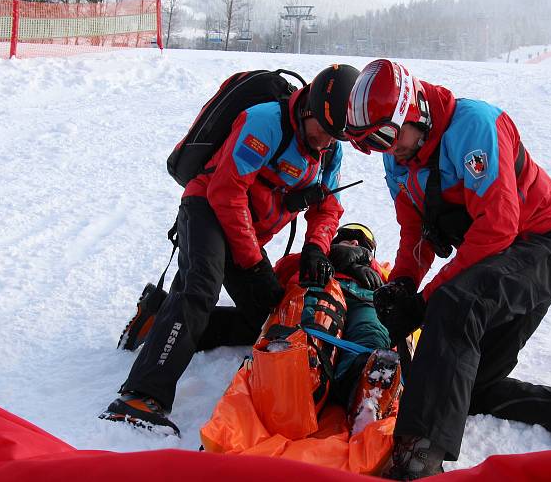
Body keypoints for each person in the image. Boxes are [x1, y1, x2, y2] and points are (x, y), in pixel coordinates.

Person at [344, 59, 551, 479]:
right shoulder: (400, 157)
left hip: (548, 244)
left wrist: (427, 300)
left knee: (455, 304)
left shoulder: (475, 126)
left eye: (388, 136)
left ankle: (418, 456)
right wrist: (403, 285)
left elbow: (497, 228)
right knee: (465, 385)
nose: (386, 149)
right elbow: (414, 228)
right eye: (373, 143)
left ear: (414, 111)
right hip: (504, 256)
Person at [100, 64, 360, 436]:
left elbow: (328, 205)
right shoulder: (265, 122)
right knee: (200, 287)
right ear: (308, 109)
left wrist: (317, 248)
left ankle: (160, 318)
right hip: (206, 206)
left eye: (337, 137)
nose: (327, 142)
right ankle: (140, 396)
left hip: (246, 229)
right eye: (325, 132)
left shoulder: (330, 148)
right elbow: (226, 191)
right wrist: (253, 262)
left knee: (265, 318)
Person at [273, 222, 400, 432]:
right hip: (325, 291)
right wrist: (326, 256)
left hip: (366, 301)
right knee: (318, 325)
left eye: (364, 243)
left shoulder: (378, 270)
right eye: (347, 236)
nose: (355, 241)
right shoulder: (317, 257)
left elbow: (397, 293)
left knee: (371, 333)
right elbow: (282, 269)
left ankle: (363, 386)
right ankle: (307, 376)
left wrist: (365, 262)